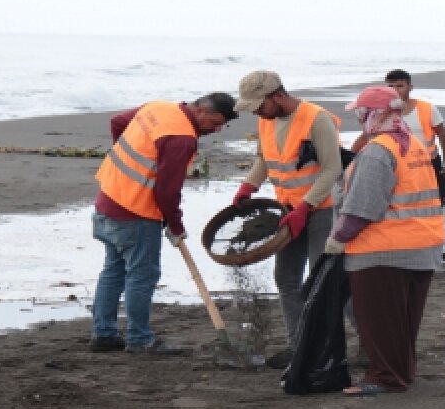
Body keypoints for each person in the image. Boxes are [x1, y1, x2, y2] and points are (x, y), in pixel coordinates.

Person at [90, 93, 238, 354]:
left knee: (113, 270)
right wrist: (176, 225)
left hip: (108, 197)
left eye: (222, 126)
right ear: (202, 111)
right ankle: (139, 339)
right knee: (141, 275)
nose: (216, 130)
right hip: (137, 211)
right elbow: (167, 193)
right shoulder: (181, 138)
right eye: (216, 123)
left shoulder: (158, 108)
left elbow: (117, 122)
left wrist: (124, 157)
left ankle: (104, 334)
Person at [323, 85, 445, 396]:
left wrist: (338, 239)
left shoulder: (379, 150)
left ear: (375, 114)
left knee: (380, 319)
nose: (360, 118)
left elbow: (364, 206)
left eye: (362, 113)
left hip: (383, 250)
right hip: (422, 244)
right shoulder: (412, 144)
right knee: (404, 318)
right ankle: (403, 370)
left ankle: (386, 377)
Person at [231, 71, 343, 368]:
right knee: (286, 278)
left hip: (321, 211)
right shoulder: (266, 119)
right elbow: (264, 160)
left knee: (324, 280)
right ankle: (299, 345)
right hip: (287, 213)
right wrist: (248, 186)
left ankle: (347, 345)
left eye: (259, 105)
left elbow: (332, 169)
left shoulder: (316, 119)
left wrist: (305, 208)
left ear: (277, 95)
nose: (256, 111)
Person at [350, 69, 445, 204]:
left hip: (427, 164)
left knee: (432, 202)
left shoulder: (426, 108)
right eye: (391, 86)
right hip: (394, 165)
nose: (395, 90)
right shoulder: (379, 112)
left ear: (410, 88)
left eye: (400, 86)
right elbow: (366, 137)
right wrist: (350, 160)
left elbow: (443, 136)